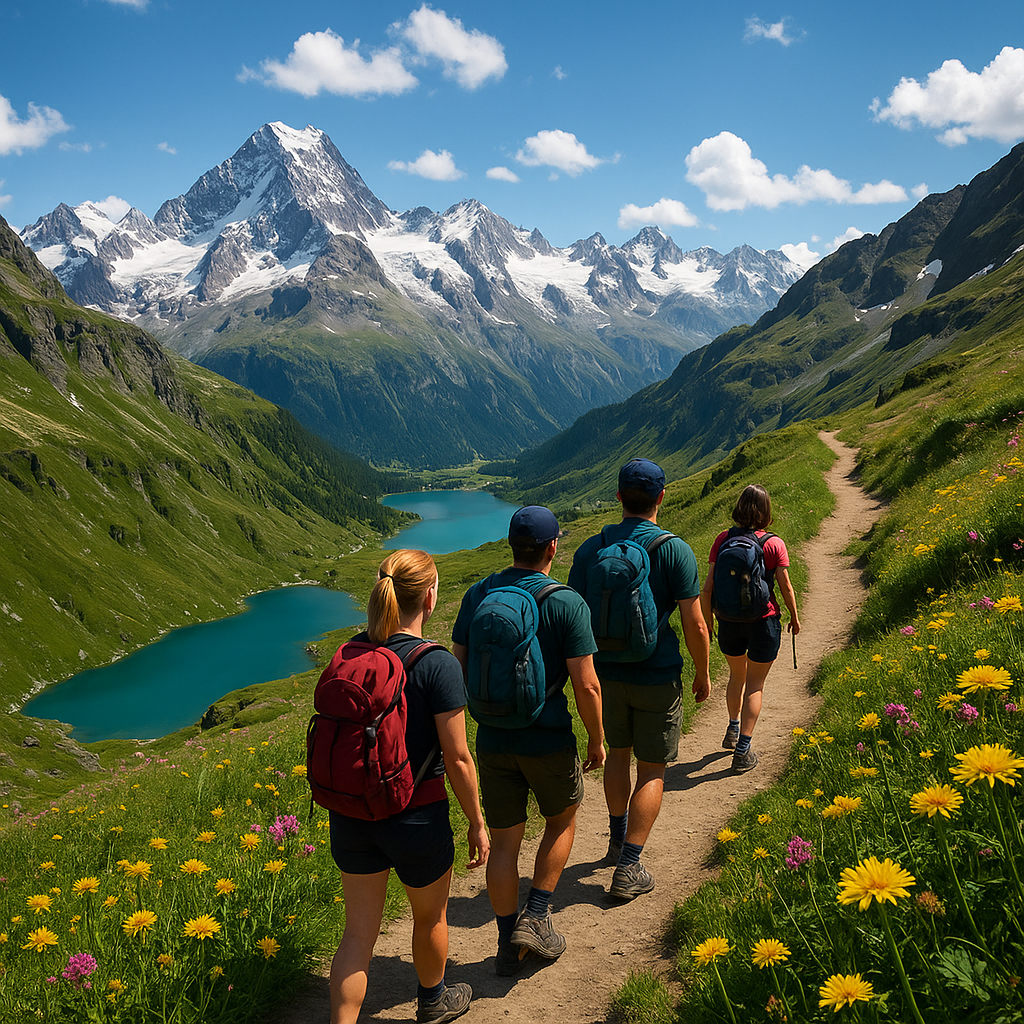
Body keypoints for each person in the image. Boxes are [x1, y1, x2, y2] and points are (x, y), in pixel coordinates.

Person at [328, 550, 489, 1024]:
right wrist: (477, 824)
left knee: (357, 935)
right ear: (431, 597)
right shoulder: (437, 664)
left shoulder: (352, 653)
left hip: (353, 813)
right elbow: (458, 758)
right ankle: (433, 1001)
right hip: (417, 816)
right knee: (429, 917)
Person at [452, 506, 605, 976]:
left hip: (492, 739)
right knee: (561, 821)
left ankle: (505, 942)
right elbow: (587, 685)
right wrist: (597, 739)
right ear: (553, 547)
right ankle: (536, 917)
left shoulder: (479, 594)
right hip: (548, 737)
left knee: (503, 845)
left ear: (512, 546)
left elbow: (456, 669)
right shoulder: (565, 601)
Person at [568, 458, 711, 902]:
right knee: (652, 769)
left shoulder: (591, 549)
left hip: (605, 676)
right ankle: (629, 865)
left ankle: (616, 837)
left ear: (618, 497)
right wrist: (703, 672)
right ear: (661, 497)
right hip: (657, 673)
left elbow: (575, 619)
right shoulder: (674, 550)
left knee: (617, 755)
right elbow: (695, 623)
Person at [699, 484, 801, 773]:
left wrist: (709, 620)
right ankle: (743, 750)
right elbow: (786, 587)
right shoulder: (772, 543)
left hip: (728, 621)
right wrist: (794, 617)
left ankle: (732, 730)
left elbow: (707, 589)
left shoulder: (723, 539)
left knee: (736, 676)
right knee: (755, 685)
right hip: (763, 621)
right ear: (766, 512)